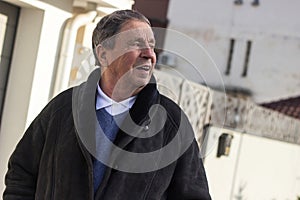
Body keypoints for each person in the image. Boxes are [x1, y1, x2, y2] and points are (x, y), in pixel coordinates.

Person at [3, 9, 211, 199]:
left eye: (151, 45)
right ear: (103, 54)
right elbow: (21, 174)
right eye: (137, 44)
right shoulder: (62, 110)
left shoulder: (172, 124)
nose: (149, 54)